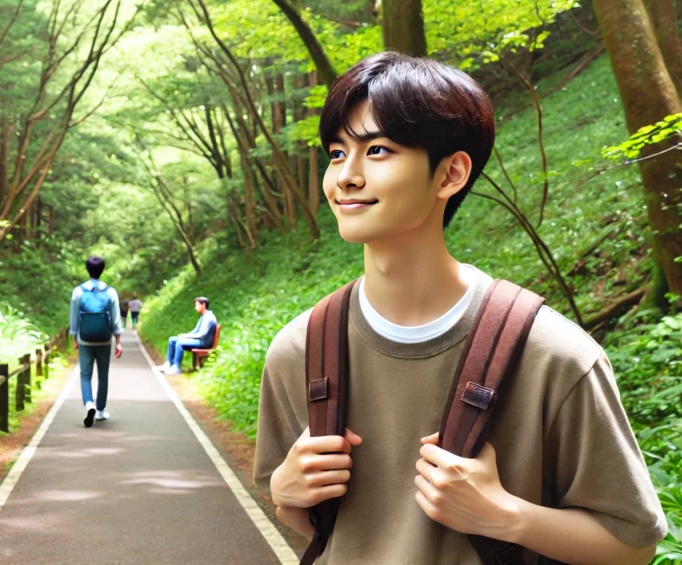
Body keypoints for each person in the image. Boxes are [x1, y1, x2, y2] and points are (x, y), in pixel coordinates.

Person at [253, 52, 665, 564]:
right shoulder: (300, 351)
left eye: (377, 150)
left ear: (450, 174)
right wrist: (285, 492)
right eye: (337, 153)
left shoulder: (554, 357)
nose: (347, 177)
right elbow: (304, 521)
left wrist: (505, 516)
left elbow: (634, 546)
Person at [69, 256, 123, 428]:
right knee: (103, 375)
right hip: (104, 340)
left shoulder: (78, 291)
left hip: (85, 339)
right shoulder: (110, 292)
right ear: (102, 270)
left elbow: (73, 317)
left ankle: (89, 404)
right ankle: (100, 410)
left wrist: (74, 337)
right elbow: (115, 320)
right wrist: (118, 341)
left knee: (85, 375)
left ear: (87, 270)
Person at [156, 297, 217, 375]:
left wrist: (188, 337)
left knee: (180, 343)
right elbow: (196, 330)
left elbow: (202, 334)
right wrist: (186, 335)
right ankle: (169, 363)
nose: (195, 308)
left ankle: (176, 367)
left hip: (204, 342)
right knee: (172, 340)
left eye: (197, 305)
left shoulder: (209, 317)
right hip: (200, 340)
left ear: (203, 305)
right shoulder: (204, 316)